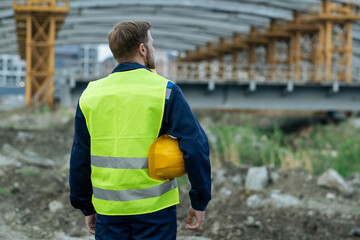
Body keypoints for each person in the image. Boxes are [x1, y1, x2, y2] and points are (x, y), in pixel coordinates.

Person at [69, 20, 211, 240]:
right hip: (155, 211)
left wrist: (85, 205)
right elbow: (195, 145)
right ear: (142, 49)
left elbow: (80, 153)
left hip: (109, 211)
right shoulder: (165, 91)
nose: (152, 48)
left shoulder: (90, 95)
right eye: (151, 44)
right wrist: (199, 200)